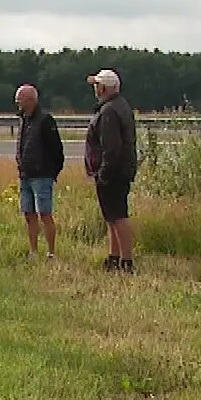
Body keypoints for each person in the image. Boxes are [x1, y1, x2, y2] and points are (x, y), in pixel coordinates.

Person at [83, 68, 138, 273]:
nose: (95, 89)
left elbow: (111, 147)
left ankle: (126, 261)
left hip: (113, 172)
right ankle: (114, 256)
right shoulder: (120, 106)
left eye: (97, 85)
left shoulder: (108, 111)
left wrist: (103, 172)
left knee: (118, 216)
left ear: (104, 88)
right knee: (111, 216)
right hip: (119, 170)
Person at [14, 84, 64, 259]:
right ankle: (33, 251)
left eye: (20, 100)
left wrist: (52, 172)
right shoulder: (24, 119)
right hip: (25, 175)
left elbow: (56, 149)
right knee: (28, 214)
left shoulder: (45, 120)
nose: (18, 104)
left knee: (45, 213)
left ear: (31, 100)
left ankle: (51, 252)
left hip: (42, 176)